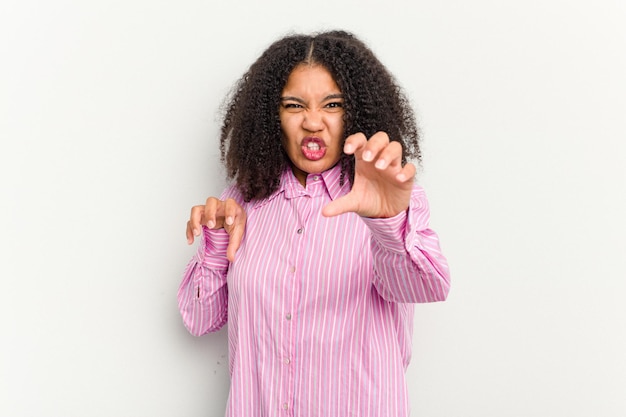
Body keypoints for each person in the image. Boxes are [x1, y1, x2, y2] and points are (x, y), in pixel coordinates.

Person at [178, 30, 450, 417]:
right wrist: (217, 245)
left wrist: (388, 224)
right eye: (293, 106)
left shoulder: (388, 199)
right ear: (272, 117)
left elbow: (428, 286)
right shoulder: (243, 201)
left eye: (332, 104)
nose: (312, 122)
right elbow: (198, 320)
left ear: (355, 112)